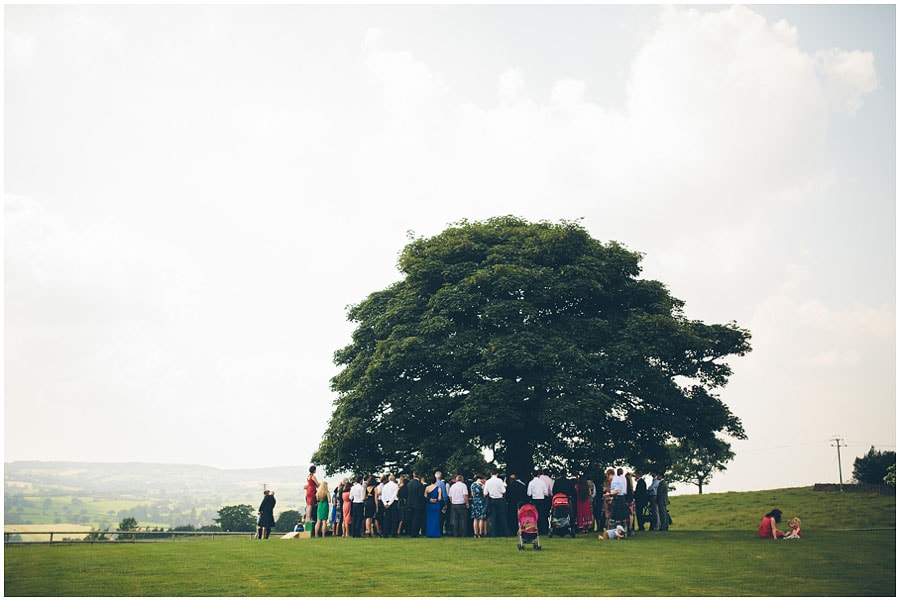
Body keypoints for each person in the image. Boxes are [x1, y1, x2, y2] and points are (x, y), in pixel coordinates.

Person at [484, 470, 508, 537]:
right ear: (497, 474)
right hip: (500, 500)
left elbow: (485, 493)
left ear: (491, 474)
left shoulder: (488, 481)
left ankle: (493, 533)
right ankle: (506, 533)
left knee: (493, 518)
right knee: (503, 517)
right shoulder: (500, 481)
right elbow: (504, 491)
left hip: (492, 500)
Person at [407, 472, 425, 537]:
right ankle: (415, 533)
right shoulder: (419, 484)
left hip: (410, 503)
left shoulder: (409, 484)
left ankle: (410, 531)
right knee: (417, 519)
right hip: (418, 504)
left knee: (411, 518)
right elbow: (420, 495)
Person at [381, 473, 400, 538]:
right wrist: (389, 504)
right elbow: (394, 495)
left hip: (386, 501)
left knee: (386, 518)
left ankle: (385, 533)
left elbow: (382, 495)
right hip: (393, 502)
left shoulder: (385, 486)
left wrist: (385, 503)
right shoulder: (395, 486)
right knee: (394, 518)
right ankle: (393, 533)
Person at [470, 474, 487, 538]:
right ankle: (480, 533)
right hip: (481, 501)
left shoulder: (472, 485)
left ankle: (475, 533)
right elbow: (484, 494)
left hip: (474, 501)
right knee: (481, 518)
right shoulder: (482, 485)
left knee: (475, 518)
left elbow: (472, 494)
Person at [305, 466, 320, 535]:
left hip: (308, 490)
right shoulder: (313, 476)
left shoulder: (308, 476)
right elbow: (317, 484)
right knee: (311, 504)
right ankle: (308, 518)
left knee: (308, 504)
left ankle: (307, 517)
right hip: (312, 490)